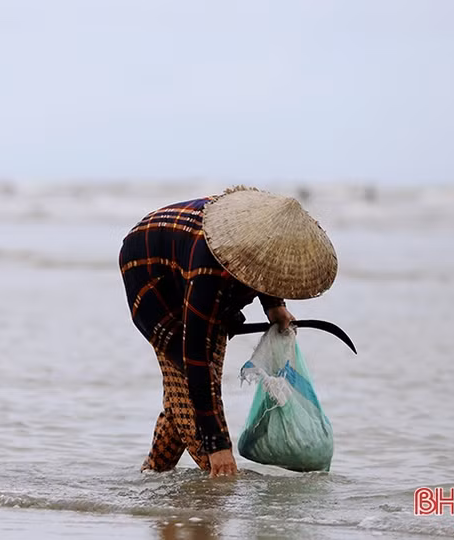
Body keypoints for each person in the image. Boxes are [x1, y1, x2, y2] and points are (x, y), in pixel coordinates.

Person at [119, 185, 338, 477]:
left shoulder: (261, 240)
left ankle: (153, 474)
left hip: (192, 261)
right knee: (188, 374)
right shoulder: (210, 272)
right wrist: (218, 444)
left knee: (184, 396)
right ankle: (217, 479)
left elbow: (266, 265)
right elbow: (195, 357)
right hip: (149, 270)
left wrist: (274, 306)